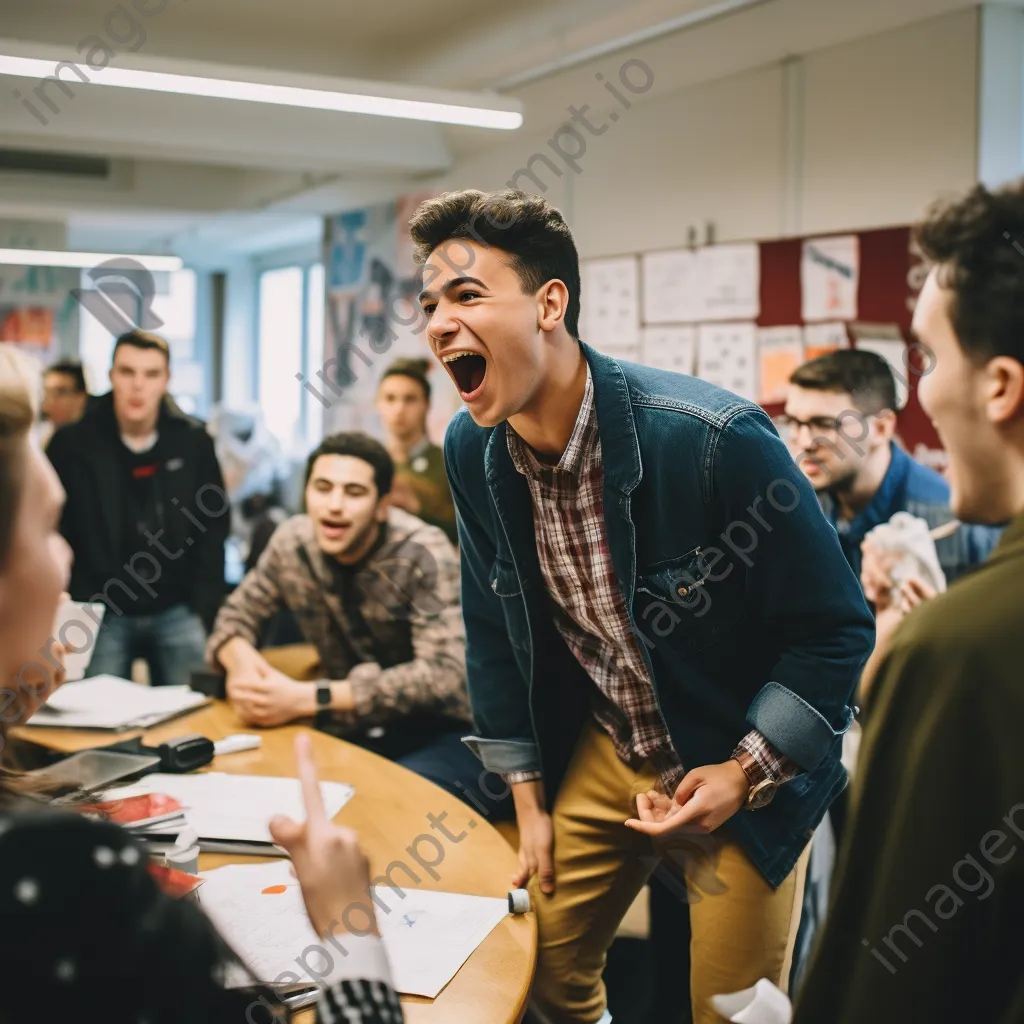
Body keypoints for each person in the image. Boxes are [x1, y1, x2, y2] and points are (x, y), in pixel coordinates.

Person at [411, 188, 874, 1024]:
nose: (439, 323)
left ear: (551, 303)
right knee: (543, 976)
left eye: (468, 295)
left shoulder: (711, 440)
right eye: (429, 303)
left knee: (732, 1013)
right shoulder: (472, 448)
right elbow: (492, 623)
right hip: (607, 743)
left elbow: (835, 628)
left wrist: (745, 773)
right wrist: (529, 801)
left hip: (737, 757)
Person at [0, 346, 403, 1023]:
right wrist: (348, 929)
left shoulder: (192, 445)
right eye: (47, 527)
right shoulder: (64, 872)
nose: (64, 552)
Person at [792, 182, 1024, 1024]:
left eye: (930, 359)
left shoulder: (959, 637)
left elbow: (891, 968)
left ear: (998, 385)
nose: (926, 393)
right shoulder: (806, 513)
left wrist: (901, 659)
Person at [207, 431, 506, 816]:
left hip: (442, 731)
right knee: (267, 787)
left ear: (382, 506)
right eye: (322, 487)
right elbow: (234, 618)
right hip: (348, 727)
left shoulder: (421, 550)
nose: (334, 506)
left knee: (382, 803)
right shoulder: (292, 542)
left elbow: (444, 676)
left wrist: (306, 698)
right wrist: (245, 672)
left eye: (353, 492)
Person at [46, 330, 229, 687]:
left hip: (177, 606)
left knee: (191, 716)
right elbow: (52, 529)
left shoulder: (192, 440)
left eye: (151, 374)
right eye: (127, 372)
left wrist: (204, 605)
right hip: (100, 607)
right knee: (97, 719)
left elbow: (214, 524)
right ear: (112, 376)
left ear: (167, 380)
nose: (138, 386)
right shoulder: (73, 444)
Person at [783, 349, 1000, 586]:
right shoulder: (803, 507)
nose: (804, 442)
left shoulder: (953, 523)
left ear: (881, 428)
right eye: (794, 423)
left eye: (824, 424)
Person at [376, 358, 458, 545]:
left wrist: (417, 510)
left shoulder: (450, 462)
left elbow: (472, 536)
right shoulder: (367, 464)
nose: (399, 409)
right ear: (377, 404)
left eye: (410, 399)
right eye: (390, 398)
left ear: (426, 405)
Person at [40, 359, 91, 444]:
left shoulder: (91, 441)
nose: (50, 401)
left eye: (59, 392)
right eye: (46, 392)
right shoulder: (40, 436)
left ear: (81, 397)